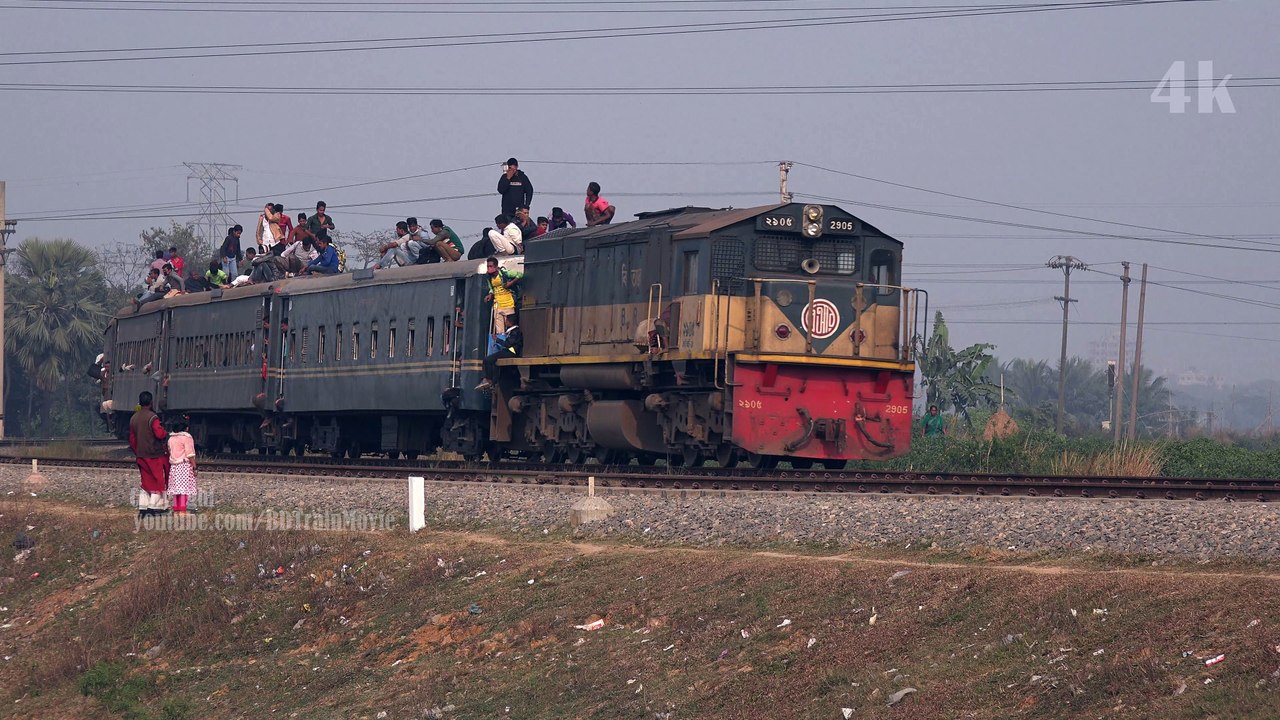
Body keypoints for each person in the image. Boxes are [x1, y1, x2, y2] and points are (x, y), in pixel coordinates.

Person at [129, 391, 169, 517]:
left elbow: (132, 439)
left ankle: (143, 507)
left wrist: (137, 451)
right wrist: (165, 433)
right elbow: (159, 433)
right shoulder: (153, 417)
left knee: (146, 482)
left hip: (141, 455)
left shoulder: (133, 418)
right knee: (158, 481)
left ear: (140, 402)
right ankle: (153, 507)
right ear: (151, 402)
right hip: (154, 455)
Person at [476, 323, 522, 392]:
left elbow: (508, 345)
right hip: (509, 351)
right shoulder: (511, 332)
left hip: (511, 352)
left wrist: (497, 340)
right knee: (493, 362)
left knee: (487, 360)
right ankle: (492, 381)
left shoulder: (515, 332)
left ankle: (488, 380)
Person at [483, 255, 522, 335]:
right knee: (499, 330)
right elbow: (491, 289)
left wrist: (510, 284)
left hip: (508, 303)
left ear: (496, 266)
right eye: (488, 266)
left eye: (491, 266)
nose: (489, 268)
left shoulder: (504, 273)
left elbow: (520, 274)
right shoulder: (489, 277)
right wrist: (490, 294)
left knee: (510, 327)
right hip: (497, 304)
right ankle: (501, 343)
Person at [166, 418, 198, 516]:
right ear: (186, 428)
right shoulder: (187, 438)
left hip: (174, 466)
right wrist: (194, 466)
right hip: (184, 465)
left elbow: (169, 450)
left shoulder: (171, 438)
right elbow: (190, 454)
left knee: (176, 489)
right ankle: (182, 510)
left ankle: (176, 509)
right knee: (184, 489)